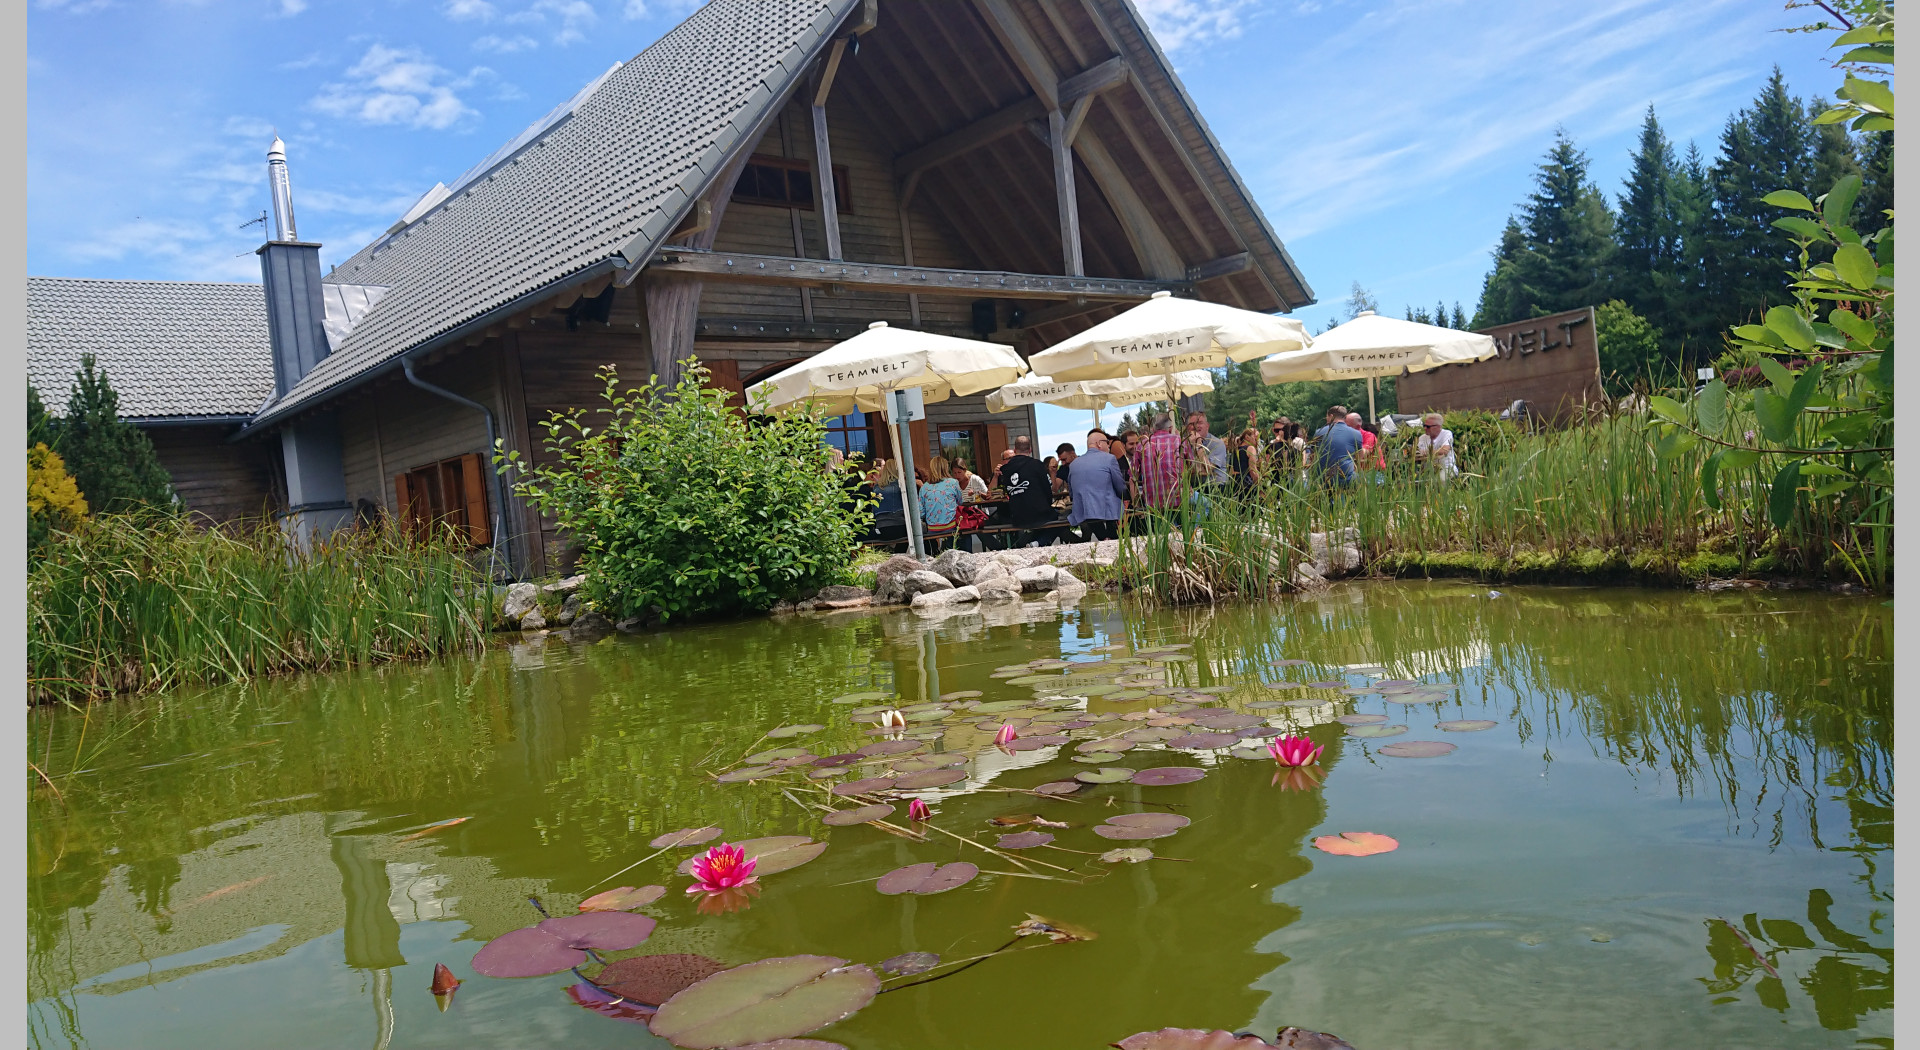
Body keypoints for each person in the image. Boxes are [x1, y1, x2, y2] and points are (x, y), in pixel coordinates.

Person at [1067, 428, 1128, 542]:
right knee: (1114, 504)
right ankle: (1111, 539)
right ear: (1099, 444)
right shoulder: (1109, 459)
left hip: (1083, 511)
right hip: (1107, 510)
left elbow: (1071, 492)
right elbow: (1120, 486)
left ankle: (1104, 538)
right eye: (1107, 442)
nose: (1109, 446)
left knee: (1093, 512)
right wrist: (1128, 498)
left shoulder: (1074, 464)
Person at [996, 435, 1056, 529]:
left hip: (1017, 516)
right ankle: (1037, 542)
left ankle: (1032, 543)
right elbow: (1048, 490)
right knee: (1058, 520)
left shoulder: (1005, 470)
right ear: (1030, 450)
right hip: (1039, 514)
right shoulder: (1037, 465)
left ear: (1015, 450)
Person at [1132, 413, 1187, 510]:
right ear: (1170, 428)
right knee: (1207, 505)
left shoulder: (1142, 445)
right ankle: (1196, 525)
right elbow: (1194, 467)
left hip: (1153, 504)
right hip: (1180, 499)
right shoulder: (1179, 440)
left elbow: (1133, 477)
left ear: (1153, 429)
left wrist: (1136, 504)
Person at [919, 455, 963, 550]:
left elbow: (921, 512)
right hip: (950, 526)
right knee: (965, 533)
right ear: (945, 467)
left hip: (932, 528)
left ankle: (936, 552)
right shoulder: (953, 483)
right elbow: (960, 502)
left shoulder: (924, 487)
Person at [1313, 406, 1363, 486]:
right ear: (1345, 417)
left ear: (1331, 416)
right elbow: (1360, 456)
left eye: (1327, 417)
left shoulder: (1319, 432)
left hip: (1324, 480)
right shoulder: (1356, 434)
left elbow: (1315, 456)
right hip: (1348, 479)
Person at [866, 459, 908, 541]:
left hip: (881, 528)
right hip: (900, 526)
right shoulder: (901, 486)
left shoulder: (876, 488)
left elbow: (873, 511)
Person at [1185, 411, 1229, 488]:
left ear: (1207, 426)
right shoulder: (1184, 444)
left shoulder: (1217, 444)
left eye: (1199, 423)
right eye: (1192, 424)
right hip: (1193, 487)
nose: (1196, 426)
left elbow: (1208, 469)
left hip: (1215, 487)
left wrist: (1198, 445)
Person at [1415, 412, 1459, 478]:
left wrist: (1427, 452)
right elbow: (1417, 453)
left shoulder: (1446, 434)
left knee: (1441, 479)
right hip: (1427, 470)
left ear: (1438, 427)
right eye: (1424, 425)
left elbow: (1445, 450)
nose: (1425, 428)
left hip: (1446, 468)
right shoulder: (1422, 437)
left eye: (1428, 427)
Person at [1230, 427, 1262, 493]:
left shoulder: (1235, 450)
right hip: (1247, 483)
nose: (1257, 441)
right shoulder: (1251, 448)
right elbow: (1253, 470)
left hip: (1234, 483)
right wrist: (1260, 487)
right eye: (1256, 437)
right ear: (1247, 437)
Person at [1107, 432, 1134, 504]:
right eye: (1131, 444)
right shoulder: (1117, 465)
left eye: (1137, 443)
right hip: (1127, 507)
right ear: (1123, 445)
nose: (1135, 446)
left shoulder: (1144, 461)